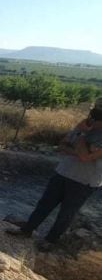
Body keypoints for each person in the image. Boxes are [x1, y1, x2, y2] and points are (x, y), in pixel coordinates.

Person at [6, 100, 102, 251]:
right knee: (44, 204)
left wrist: (82, 136)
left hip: (84, 182)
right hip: (63, 172)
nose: (92, 117)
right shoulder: (83, 126)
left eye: (96, 114)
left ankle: (50, 241)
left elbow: (83, 157)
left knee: (67, 213)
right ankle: (27, 230)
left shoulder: (85, 131)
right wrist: (78, 149)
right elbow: (62, 145)